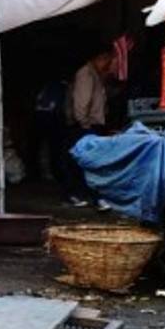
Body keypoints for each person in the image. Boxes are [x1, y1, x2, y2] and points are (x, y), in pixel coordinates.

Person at [63, 43, 114, 210]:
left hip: (89, 125)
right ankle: (80, 195)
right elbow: (81, 103)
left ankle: (85, 195)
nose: (108, 63)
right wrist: (84, 124)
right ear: (99, 58)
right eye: (106, 59)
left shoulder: (95, 74)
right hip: (85, 126)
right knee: (85, 162)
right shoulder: (86, 74)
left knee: (85, 162)